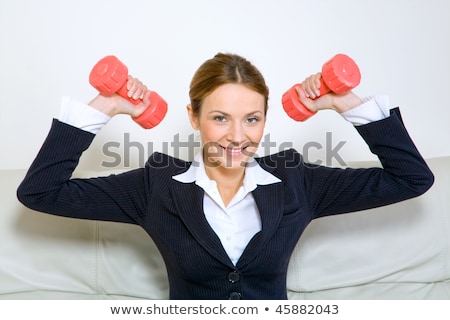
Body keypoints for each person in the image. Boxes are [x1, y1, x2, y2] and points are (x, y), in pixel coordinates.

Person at [17, 52, 434, 300]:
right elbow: (40, 192)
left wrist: (347, 102)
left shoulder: (297, 179)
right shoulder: (155, 184)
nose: (237, 136)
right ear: (193, 118)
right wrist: (102, 108)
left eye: (251, 119)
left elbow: (411, 179)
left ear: (265, 119)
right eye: (220, 118)